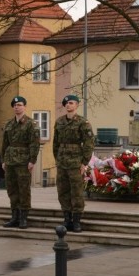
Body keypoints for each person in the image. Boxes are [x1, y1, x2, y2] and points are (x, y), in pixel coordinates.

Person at [53, 94, 95, 233]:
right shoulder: (59, 122)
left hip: (76, 162)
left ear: (77, 105)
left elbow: (89, 143)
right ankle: (67, 218)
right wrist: (57, 159)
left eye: (71, 103)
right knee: (63, 191)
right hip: (62, 161)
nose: (68, 105)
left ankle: (76, 220)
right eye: (66, 103)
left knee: (76, 191)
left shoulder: (83, 123)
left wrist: (84, 162)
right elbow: (55, 143)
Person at [0, 96, 40, 229]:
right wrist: (3, 160)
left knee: (23, 189)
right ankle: (14, 217)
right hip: (10, 161)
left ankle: (23, 218)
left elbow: (34, 144)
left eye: (20, 104)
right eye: (15, 105)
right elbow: (5, 144)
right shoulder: (8, 124)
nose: (17, 107)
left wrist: (32, 160)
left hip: (23, 161)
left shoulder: (31, 124)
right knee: (12, 189)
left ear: (25, 107)